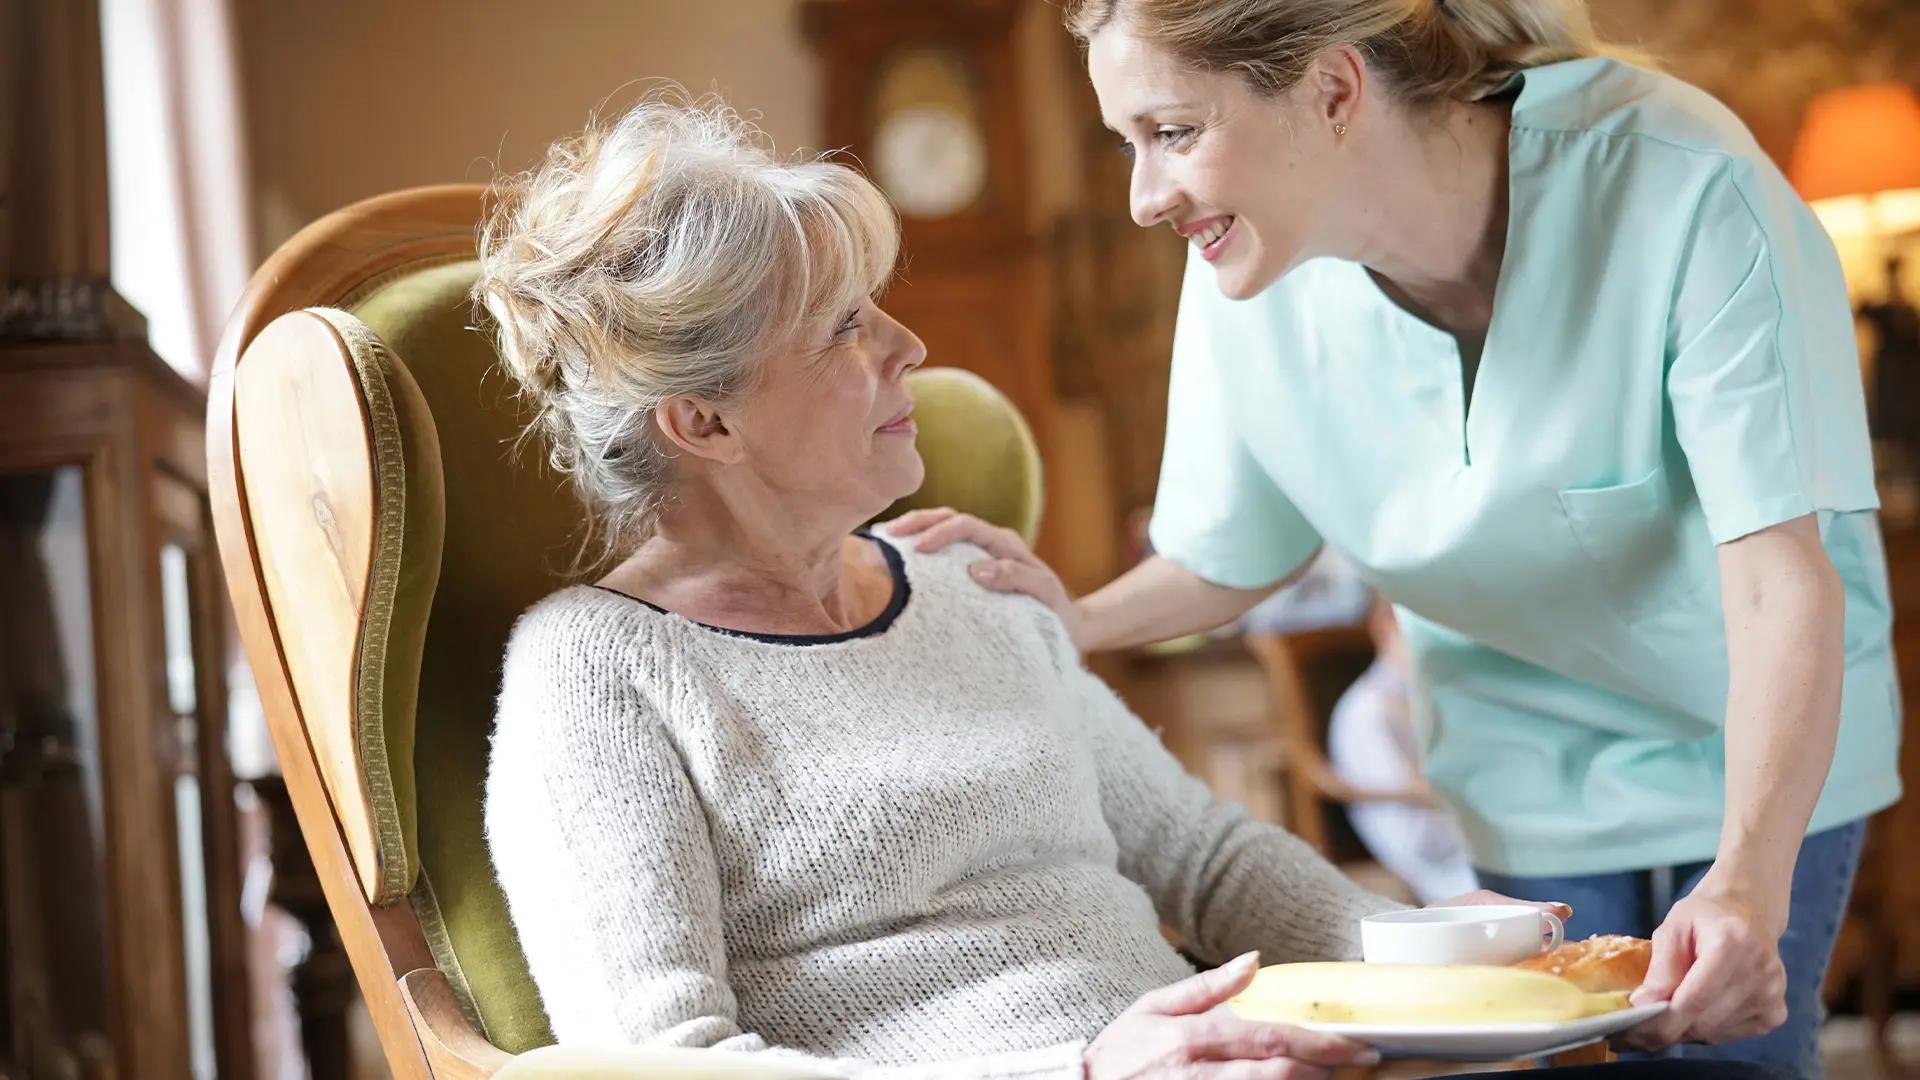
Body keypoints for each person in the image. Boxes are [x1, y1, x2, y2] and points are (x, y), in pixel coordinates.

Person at [474, 95, 1786, 1080]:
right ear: (703, 424)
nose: (910, 348)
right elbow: (662, 1060)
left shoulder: (957, 583)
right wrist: (1089, 1070)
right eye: (844, 331)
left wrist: (1415, 947)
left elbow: (1206, 861)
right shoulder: (593, 674)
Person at [886, 1, 1900, 1077]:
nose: (1144, 197)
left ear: (1332, 90)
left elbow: (1779, 584)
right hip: (1526, 777)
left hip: (1757, 746)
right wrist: (1069, 620)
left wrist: (1746, 877)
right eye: (1127, 144)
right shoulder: (1251, 264)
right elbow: (1225, 553)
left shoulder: (1681, 180)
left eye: (1173, 132)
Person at [1327, 598, 1479, 904]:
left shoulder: (1440, 695)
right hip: (1445, 862)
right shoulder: (1369, 711)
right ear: (1385, 629)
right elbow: (1418, 840)